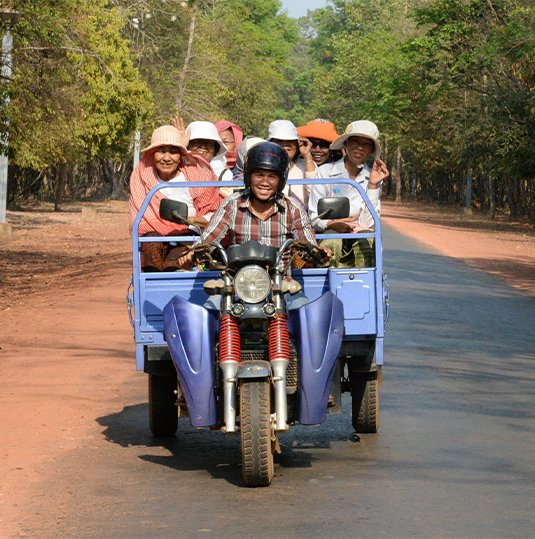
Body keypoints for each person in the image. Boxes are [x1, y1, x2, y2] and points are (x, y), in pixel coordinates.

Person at [175, 142, 331, 271]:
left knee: (305, 308)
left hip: (281, 285)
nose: (264, 182)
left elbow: (307, 242)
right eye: (259, 175)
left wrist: (317, 252)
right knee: (209, 307)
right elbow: (209, 236)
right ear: (248, 176)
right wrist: (194, 253)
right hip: (237, 284)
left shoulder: (292, 208)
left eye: (272, 176)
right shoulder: (232, 204)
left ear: (281, 180)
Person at [129, 122, 220, 272]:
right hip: (155, 240)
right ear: (152, 154)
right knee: (151, 245)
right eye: (161, 151)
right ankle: (151, 289)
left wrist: (190, 223)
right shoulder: (142, 176)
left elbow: (214, 215)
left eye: (173, 152)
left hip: (190, 238)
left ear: (180, 155)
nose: (166, 158)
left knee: (178, 263)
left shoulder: (198, 177)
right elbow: (141, 220)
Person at [308, 120, 390, 268]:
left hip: (359, 235)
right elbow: (314, 215)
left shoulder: (372, 177)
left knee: (367, 242)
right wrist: (332, 225)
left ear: (371, 150)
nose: (359, 148)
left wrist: (372, 185)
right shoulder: (325, 172)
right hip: (329, 233)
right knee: (332, 240)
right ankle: (328, 288)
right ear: (346, 144)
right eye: (355, 142)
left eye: (366, 144)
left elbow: (368, 224)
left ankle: (366, 289)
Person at [267, 120, 316, 206]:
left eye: (290, 141)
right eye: (279, 141)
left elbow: (315, 194)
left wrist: (307, 156)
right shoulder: (264, 166)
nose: (285, 145)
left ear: (297, 145)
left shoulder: (306, 165)